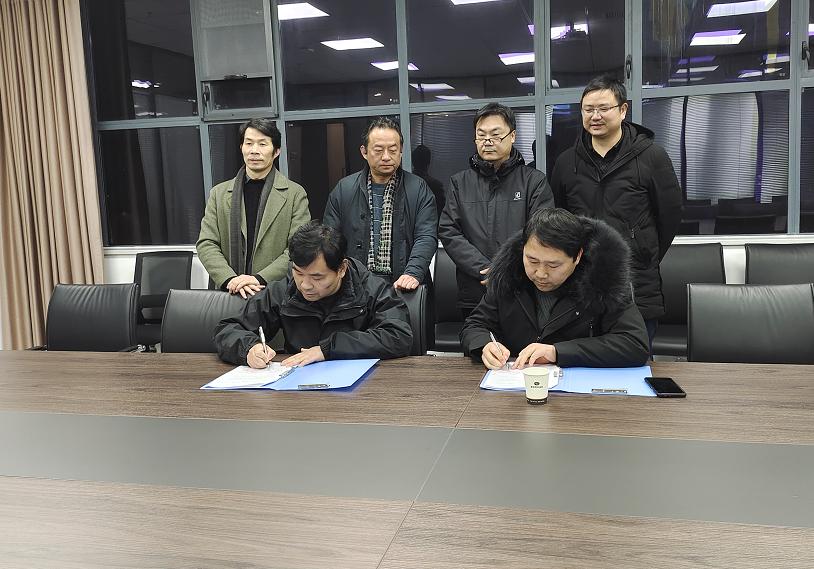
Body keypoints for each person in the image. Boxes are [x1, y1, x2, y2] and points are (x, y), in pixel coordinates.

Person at [549, 75, 682, 345]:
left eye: (603, 108)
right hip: (582, 279)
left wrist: (643, 251)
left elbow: (670, 216)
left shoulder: (652, 156)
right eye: (588, 109)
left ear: (623, 110)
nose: (595, 116)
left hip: (635, 279)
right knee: (582, 358)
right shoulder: (565, 162)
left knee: (636, 358)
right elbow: (560, 219)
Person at [461, 208, 649, 369]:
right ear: (523, 249)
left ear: (577, 257)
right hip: (515, 384)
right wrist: (484, 345)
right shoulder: (509, 276)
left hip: (579, 391)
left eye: (553, 265)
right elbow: (475, 325)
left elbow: (634, 344)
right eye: (532, 261)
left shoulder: (604, 283)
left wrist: (557, 352)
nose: (541, 273)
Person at [214, 221, 413, 368]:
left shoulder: (371, 289)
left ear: (341, 269)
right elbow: (228, 329)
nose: (305, 285)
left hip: (360, 390)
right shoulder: (285, 290)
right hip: (297, 388)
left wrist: (329, 349)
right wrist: (249, 348)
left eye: (317, 277)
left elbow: (398, 336)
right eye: (298, 273)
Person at [439, 102, 554, 317]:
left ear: (512, 136)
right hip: (475, 288)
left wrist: (504, 269)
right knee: (476, 338)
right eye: (481, 135)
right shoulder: (459, 183)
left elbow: (540, 233)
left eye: (495, 135)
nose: (487, 141)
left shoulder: (533, 182)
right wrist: (483, 268)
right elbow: (449, 230)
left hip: (521, 287)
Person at [197, 118, 311, 299]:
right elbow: (207, 243)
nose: (254, 150)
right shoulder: (219, 193)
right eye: (249, 143)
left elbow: (298, 248)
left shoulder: (295, 194)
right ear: (241, 147)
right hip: (228, 291)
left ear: (276, 151)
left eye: (262, 144)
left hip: (274, 293)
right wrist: (230, 279)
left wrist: (258, 279)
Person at [323, 117, 437, 291]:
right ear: (364, 152)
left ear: (401, 151)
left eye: (393, 150)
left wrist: (413, 273)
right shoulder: (344, 189)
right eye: (378, 150)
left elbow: (426, 236)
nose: (386, 157)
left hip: (404, 285)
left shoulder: (418, 188)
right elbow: (330, 240)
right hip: (355, 286)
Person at [411, 143, 445, 222]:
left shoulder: (405, 184)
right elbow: (441, 215)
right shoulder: (436, 186)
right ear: (428, 162)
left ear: (413, 162)